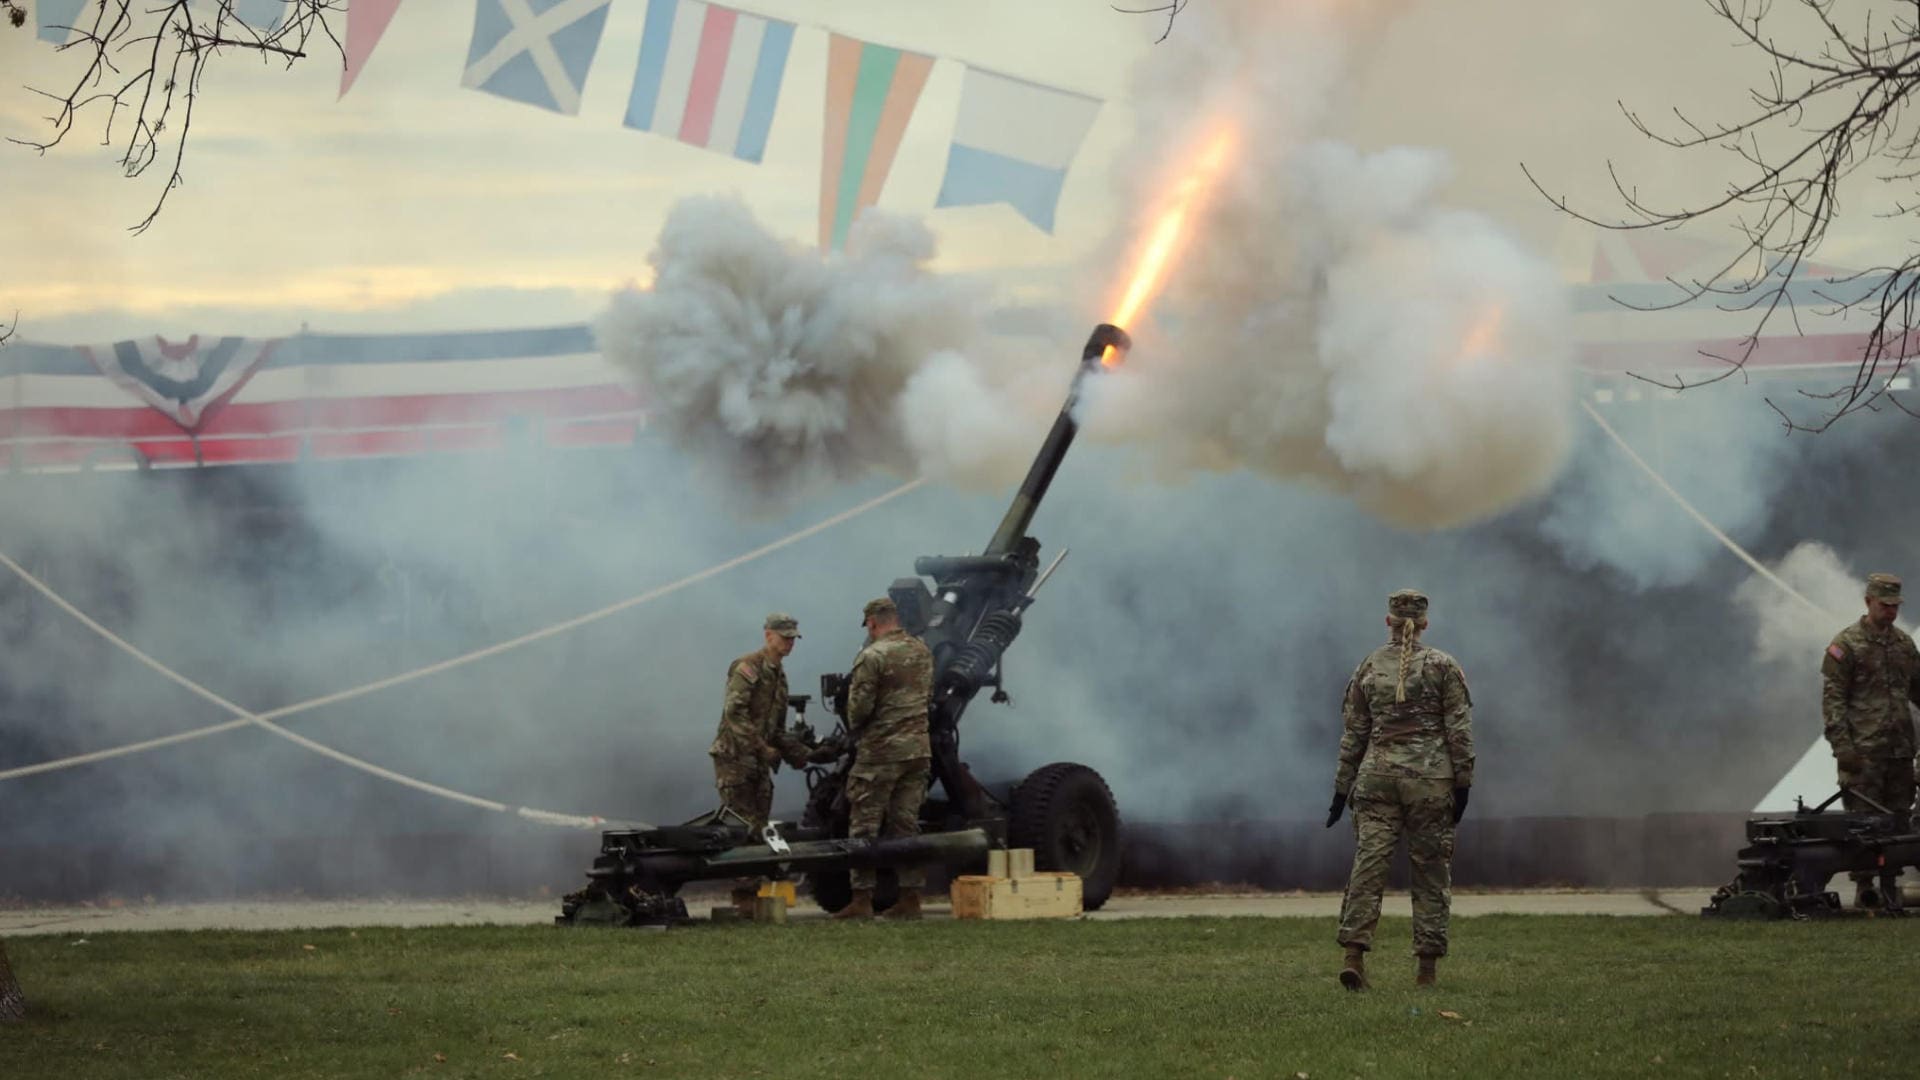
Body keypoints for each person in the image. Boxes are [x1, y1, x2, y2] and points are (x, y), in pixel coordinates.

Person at [1325, 589, 1474, 990]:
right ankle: (1426, 971)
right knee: (1430, 874)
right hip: (1430, 782)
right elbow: (1458, 732)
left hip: (1376, 780)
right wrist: (1463, 783)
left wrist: (1341, 791)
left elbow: (1353, 736)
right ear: (1424, 624)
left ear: (1387, 622)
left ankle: (1353, 956)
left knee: (1368, 869)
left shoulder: (1368, 667)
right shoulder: (1444, 666)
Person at [1821, 572, 1920, 911]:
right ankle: (1865, 889)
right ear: (1868, 602)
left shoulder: (1905, 645)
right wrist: (1842, 747)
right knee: (1863, 823)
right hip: (1863, 752)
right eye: (1884, 605)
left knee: (1898, 820)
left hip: (1901, 750)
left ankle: (1891, 886)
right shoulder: (1845, 644)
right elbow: (1833, 701)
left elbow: (1918, 691)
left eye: (1895, 606)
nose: (1890, 612)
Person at [832, 597, 935, 921]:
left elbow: (858, 710)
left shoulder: (872, 656)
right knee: (906, 826)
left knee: (864, 826)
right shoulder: (922, 651)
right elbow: (927, 696)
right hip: (918, 751)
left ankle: (862, 899)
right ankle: (911, 899)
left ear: (873, 623)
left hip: (880, 754)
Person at [709, 612, 808, 916]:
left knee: (759, 827)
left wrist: (801, 753)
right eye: (784, 637)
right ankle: (743, 899)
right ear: (768, 636)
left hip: (758, 760)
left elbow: (775, 728)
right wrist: (762, 747)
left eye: (792, 638)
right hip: (736, 759)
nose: (789, 643)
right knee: (740, 827)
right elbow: (734, 714)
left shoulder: (779, 677)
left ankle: (751, 897)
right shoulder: (749, 668)